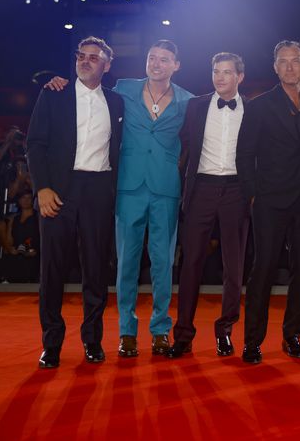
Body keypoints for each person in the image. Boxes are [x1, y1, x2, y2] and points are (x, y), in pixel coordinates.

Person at [45, 40, 194, 358]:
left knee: (163, 263)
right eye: (152, 57)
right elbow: (87, 83)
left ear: (176, 65)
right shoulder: (124, 89)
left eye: (164, 59)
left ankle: (160, 330)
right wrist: (57, 79)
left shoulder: (188, 101)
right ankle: (127, 330)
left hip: (165, 189)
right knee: (126, 263)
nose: (156, 63)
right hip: (127, 188)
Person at [27, 36, 124, 369]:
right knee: (52, 270)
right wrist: (42, 188)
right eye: (81, 56)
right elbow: (35, 145)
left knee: (96, 270)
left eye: (94, 58)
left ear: (107, 65)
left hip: (98, 190)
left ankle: (92, 341)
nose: (85, 61)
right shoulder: (53, 94)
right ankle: (51, 343)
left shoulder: (117, 102)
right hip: (58, 190)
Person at [235, 41, 300, 364]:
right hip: (270, 200)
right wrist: (253, 194)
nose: (289, 67)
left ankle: (292, 336)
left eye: (295, 61)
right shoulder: (259, 106)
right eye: (283, 62)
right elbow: (244, 154)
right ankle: (253, 341)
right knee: (264, 270)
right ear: (275, 68)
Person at [167, 53, 251, 359]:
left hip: (236, 190)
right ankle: (183, 335)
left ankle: (225, 330)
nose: (220, 77)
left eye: (227, 72)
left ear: (240, 76)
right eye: (216, 71)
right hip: (201, 188)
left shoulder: (253, 110)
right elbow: (182, 146)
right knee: (190, 264)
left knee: (234, 266)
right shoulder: (196, 106)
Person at [0, 190, 40, 283]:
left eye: (29, 198)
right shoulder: (15, 218)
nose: (26, 200)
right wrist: (11, 249)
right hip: (17, 252)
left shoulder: (38, 218)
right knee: (11, 259)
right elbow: (10, 240)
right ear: (19, 200)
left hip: (33, 253)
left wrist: (33, 250)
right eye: (23, 198)